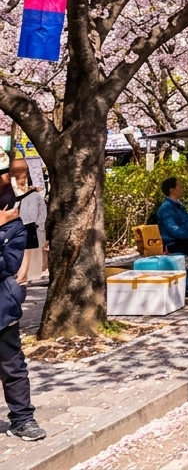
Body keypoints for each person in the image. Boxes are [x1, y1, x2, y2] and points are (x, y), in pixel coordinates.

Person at [0, 153, 43, 442]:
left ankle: (22, 419)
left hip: (2, 307)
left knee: (12, 365)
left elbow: (6, 265)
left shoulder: (15, 225)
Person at [8, 157, 46, 284]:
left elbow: (40, 212)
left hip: (26, 224)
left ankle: (22, 275)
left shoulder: (33, 195)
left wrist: (38, 225)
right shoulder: (13, 189)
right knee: (21, 250)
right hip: (19, 222)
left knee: (25, 251)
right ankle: (21, 275)